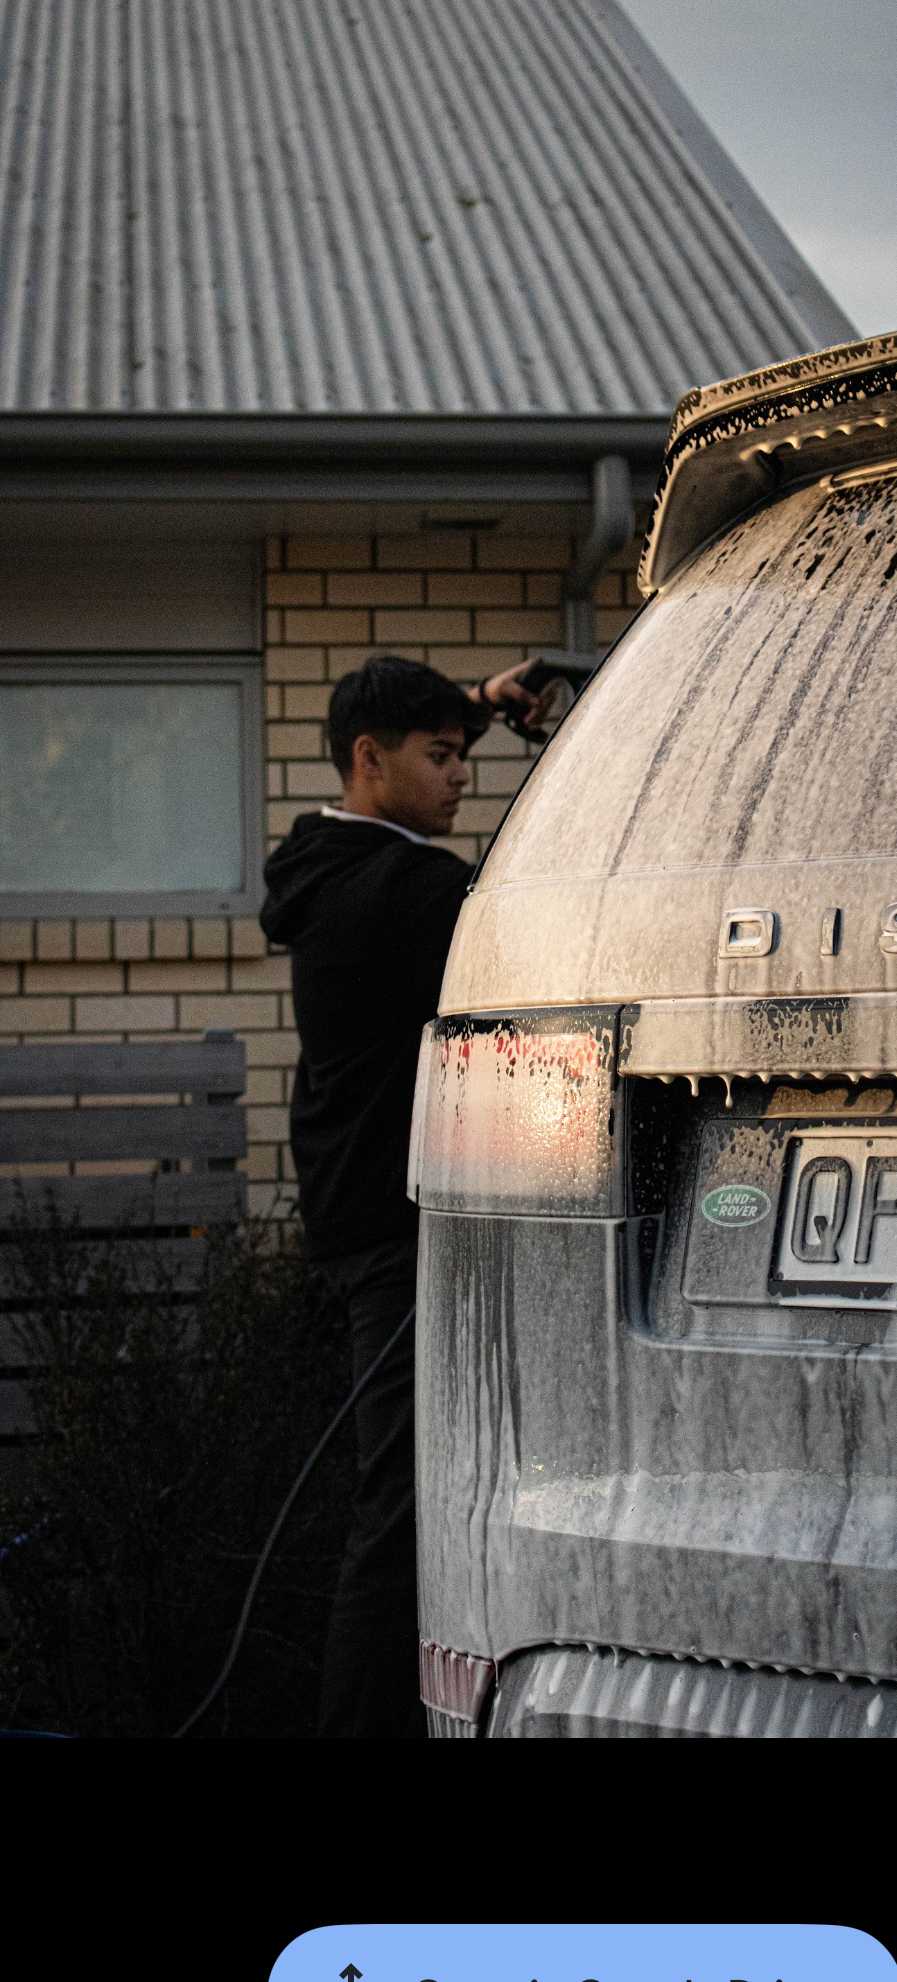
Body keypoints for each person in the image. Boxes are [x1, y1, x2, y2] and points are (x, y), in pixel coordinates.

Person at [259, 653, 549, 1738]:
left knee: (410, 1497)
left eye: (465, 753)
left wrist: (467, 704)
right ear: (370, 761)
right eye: (440, 757)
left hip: (356, 1214)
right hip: (394, 1229)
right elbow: (525, 900)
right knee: (402, 1510)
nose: (461, 776)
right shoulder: (413, 890)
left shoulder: (321, 861)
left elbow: (398, 777)